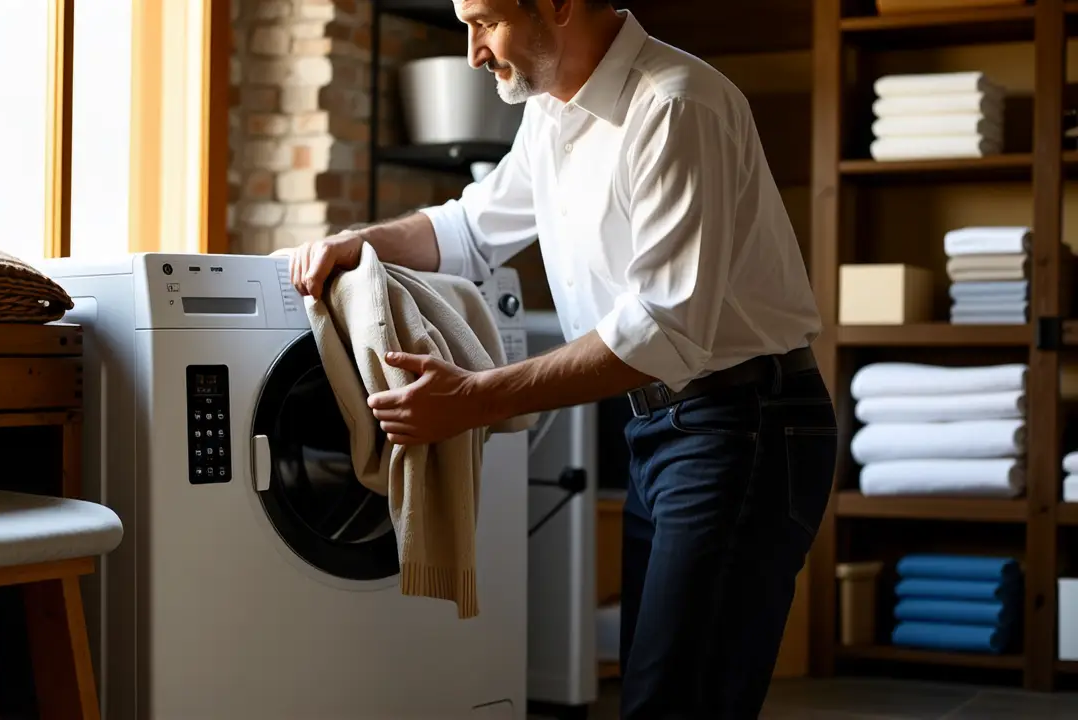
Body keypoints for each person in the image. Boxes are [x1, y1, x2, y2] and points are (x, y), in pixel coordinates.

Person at [280, 0, 838, 717]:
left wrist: (478, 397)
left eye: (484, 22)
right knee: (669, 689)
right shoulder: (553, 113)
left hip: (746, 424)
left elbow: (664, 329)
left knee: (675, 699)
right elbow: (470, 230)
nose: (475, 52)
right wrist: (360, 242)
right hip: (671, 425)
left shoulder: (675, 106)